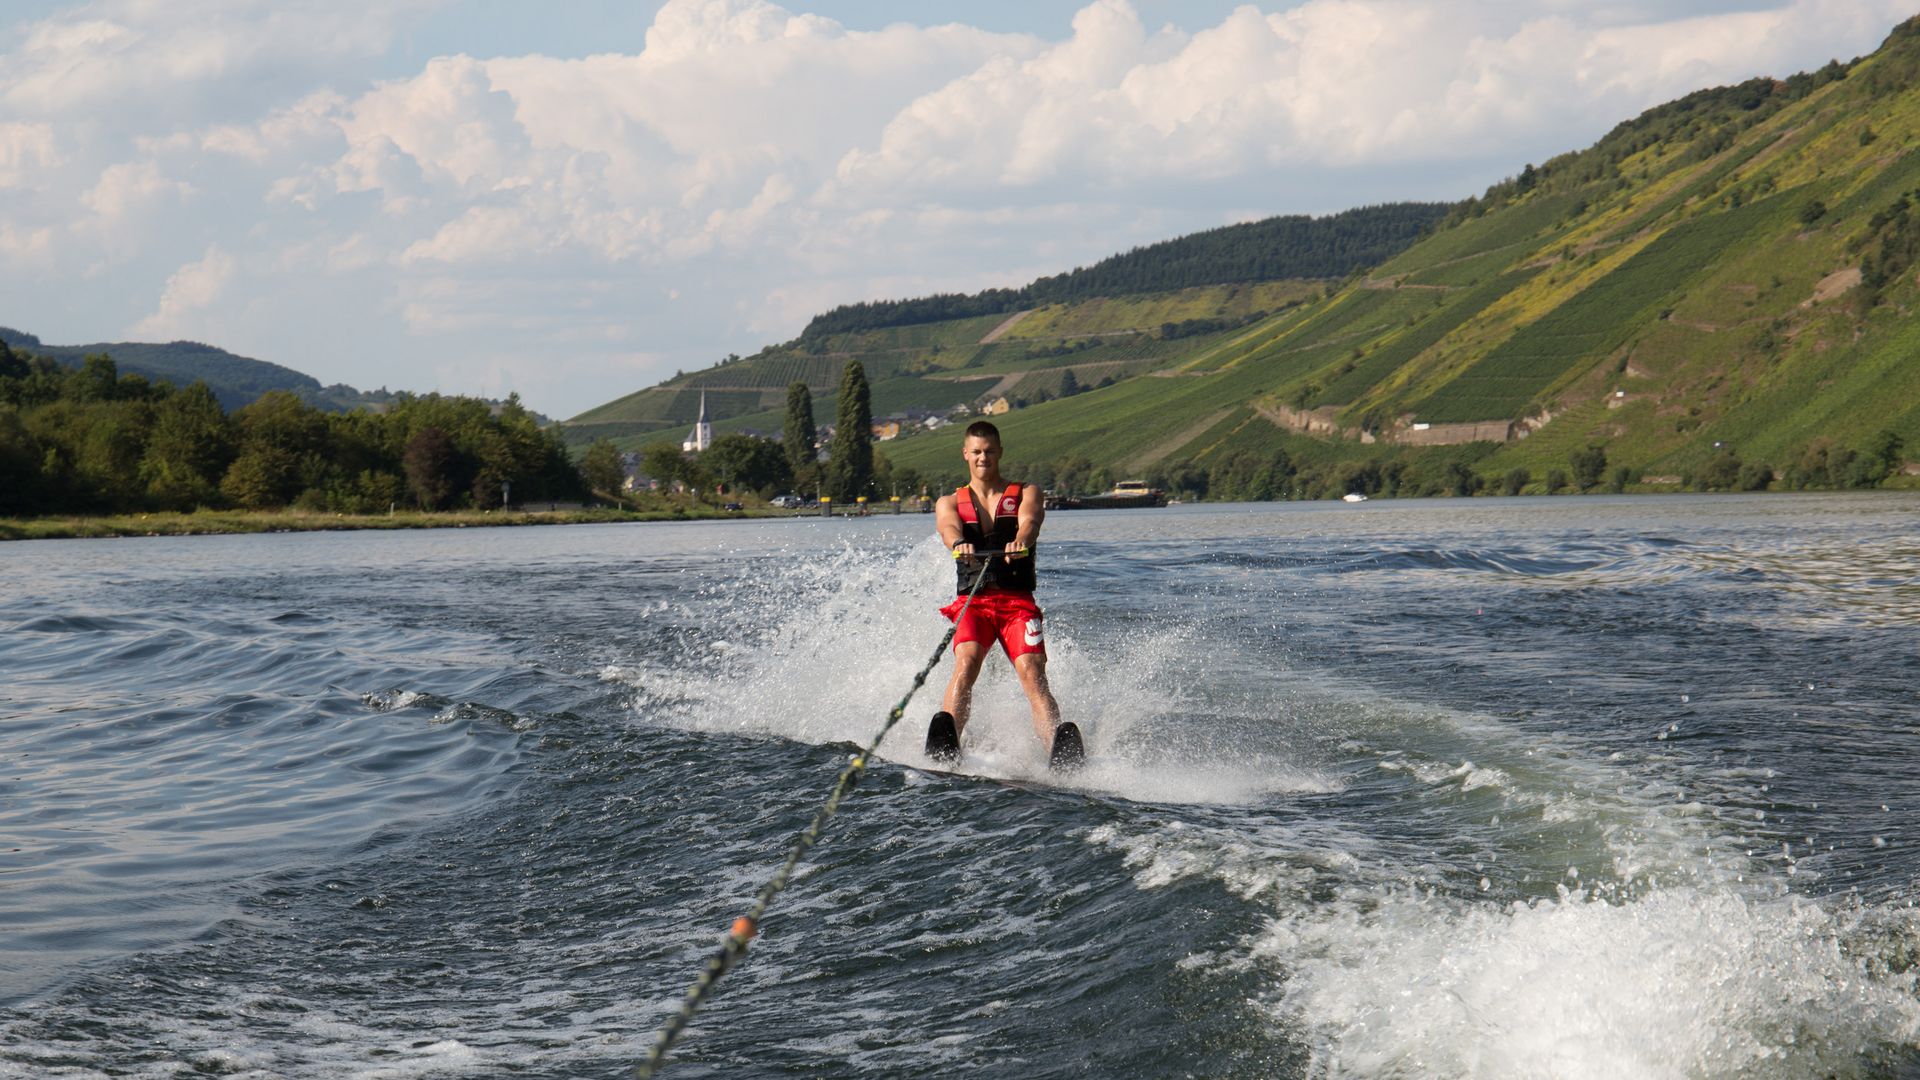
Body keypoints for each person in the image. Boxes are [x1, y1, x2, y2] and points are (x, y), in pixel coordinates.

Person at [925, 421, 1080, 767]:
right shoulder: (949, 501)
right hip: (972, 604)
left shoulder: (1026, 492)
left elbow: (1030, 521)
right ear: (966, 454)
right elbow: (947, 527)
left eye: (990, 451)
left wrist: (1022, 540)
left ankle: (1056, 747)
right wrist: (957, 543)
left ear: (1000, 452)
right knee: (966, 662)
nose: (983, 458)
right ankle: (948, 746)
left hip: (1016, 604)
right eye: (977, 452)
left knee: (1032, 671)